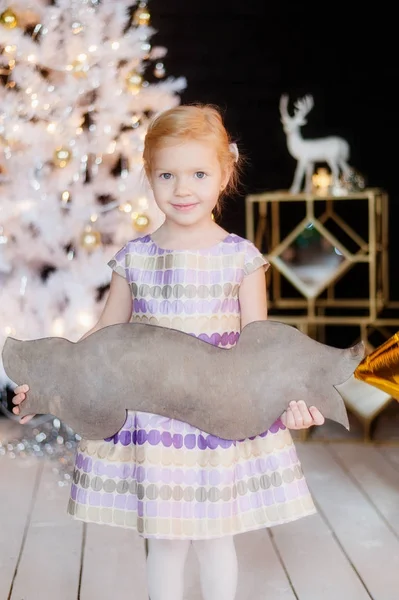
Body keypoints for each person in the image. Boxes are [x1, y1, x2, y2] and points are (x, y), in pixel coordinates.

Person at [13, 104, 325, 600]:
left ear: (225, 173)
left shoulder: (241, 259)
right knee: (166, 541)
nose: (183, 189)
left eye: (199, 173)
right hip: (156, 420)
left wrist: (291, 400)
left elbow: (261, 348)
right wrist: (49, 385)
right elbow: (101, 339)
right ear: (150, 176)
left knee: (215, 538)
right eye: (167, 175)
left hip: (221, 416)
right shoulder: (136, 257)